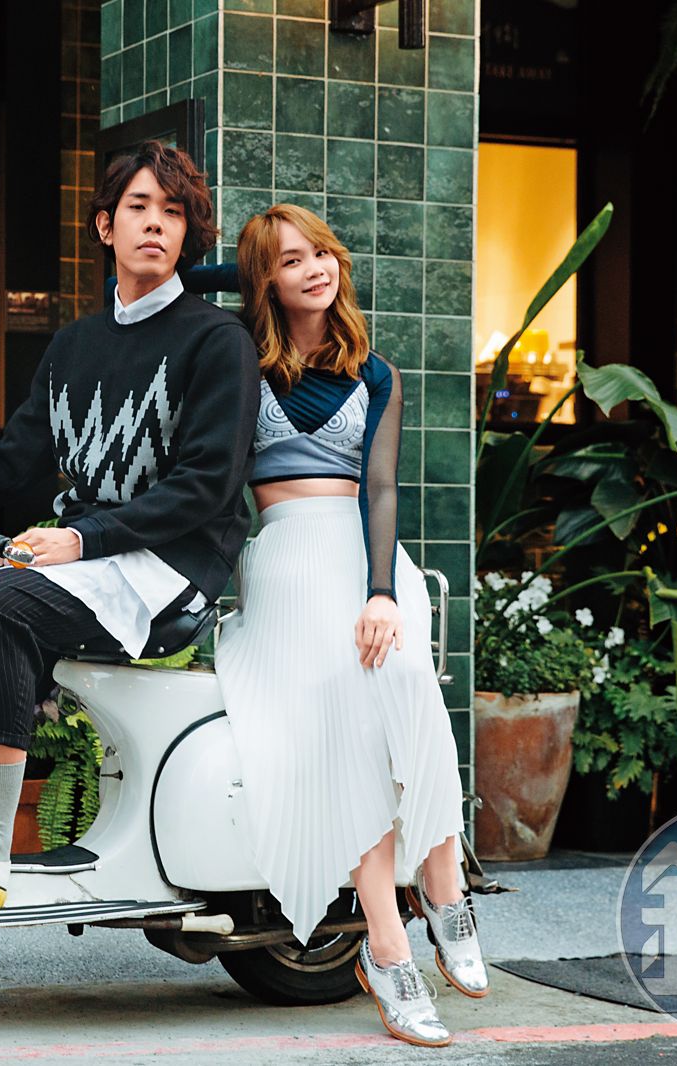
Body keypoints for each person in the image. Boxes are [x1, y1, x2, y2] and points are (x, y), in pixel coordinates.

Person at [0, 141, 261, 970]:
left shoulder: (217, 341)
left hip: (170, 569)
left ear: (188, 234)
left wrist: (80, 538)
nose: (156, 224)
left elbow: (208, 486)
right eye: (139, 207)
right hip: (93, 563)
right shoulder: (73, 347)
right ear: (105, 227)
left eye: (173, 212)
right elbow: (10, 464)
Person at [213, 204, 487, 1046]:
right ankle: (389, 943)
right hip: (286, 555)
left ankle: (444, 888)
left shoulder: (376, 374)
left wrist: (381, 593)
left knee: (403, 677)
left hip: (366, 561)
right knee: (348, 714)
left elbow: (382, 489)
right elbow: (177, 287)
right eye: (291, 260)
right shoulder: (240, 361)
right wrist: (243, 273)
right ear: (264, 280)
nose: (316, 269)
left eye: (323, 253)